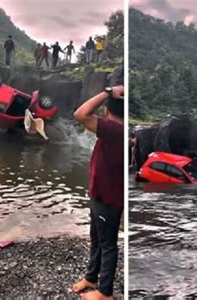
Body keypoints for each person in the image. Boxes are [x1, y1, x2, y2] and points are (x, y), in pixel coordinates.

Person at [72, 85, 124, 300]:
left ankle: (105, 292)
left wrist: (107, 92)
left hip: (108, 201)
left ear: (106, 112)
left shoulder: (113, 130)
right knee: (97, 239)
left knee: (108, 245)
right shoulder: (118, 132)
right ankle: (92, 277)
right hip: (99, 196)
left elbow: (80, 114)